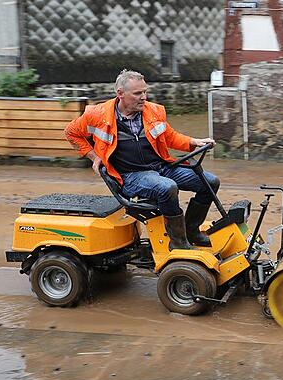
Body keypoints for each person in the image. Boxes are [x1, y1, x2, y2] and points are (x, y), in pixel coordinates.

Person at [65, 69, 218, 250]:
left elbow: (169, 136)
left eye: (145, 91)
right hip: (131, 176)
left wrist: (194, 141)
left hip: (161, 167)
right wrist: (93, 156)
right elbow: (71, 132)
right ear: (120, 94)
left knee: (210, 182)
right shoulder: (97, 115)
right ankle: (177, 242)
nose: (144, 97)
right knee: (167, 187)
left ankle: (192, 231)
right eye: (138, 93)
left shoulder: (153, 111)